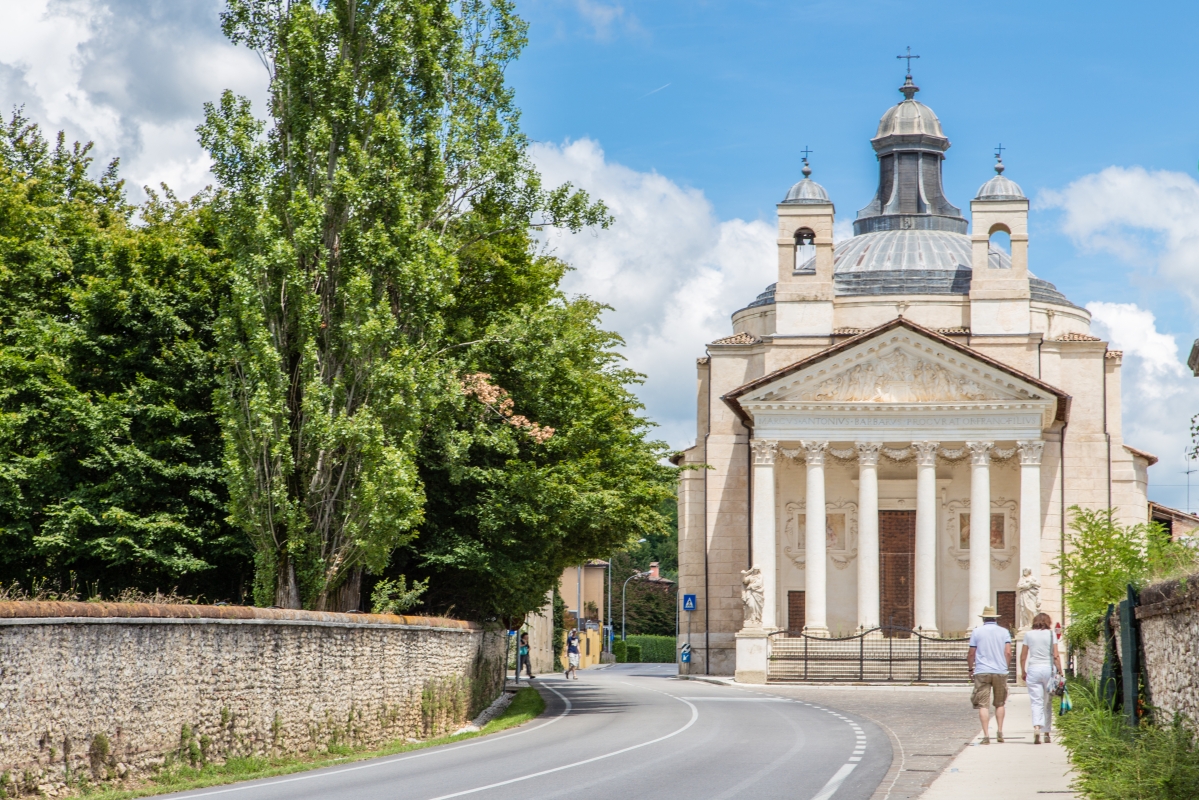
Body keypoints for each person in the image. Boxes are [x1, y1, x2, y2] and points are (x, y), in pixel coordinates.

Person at [967, 605, 1013, 744]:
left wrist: (970, 668)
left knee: (983, 705)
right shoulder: (1004, 632)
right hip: (1000, 671)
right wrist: (1005, 666)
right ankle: (1000, 731)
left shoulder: (977, 632)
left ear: (983, 619)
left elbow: (971, 653)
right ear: (995, 618)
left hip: (982, 671)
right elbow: (1008, 652)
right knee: (1000, 703)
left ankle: (986, 735)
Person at [1020, 612, 1062, 744]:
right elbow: (1056, 655)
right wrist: (1060, 671)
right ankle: (1047, 733)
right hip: (1048, 669)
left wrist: (1023, 670)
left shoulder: (1028, 635)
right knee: (1047, 701)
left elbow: (1023, 655)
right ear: (1048, 622)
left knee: (1036, 701)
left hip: (1033, 669)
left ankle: (1037, 727)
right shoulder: (1051, 634)